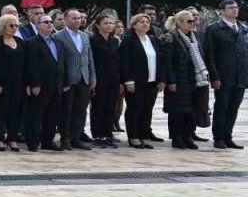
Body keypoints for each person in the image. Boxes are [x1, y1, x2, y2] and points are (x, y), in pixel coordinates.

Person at [203, 0, 248, 149]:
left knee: (234, 108)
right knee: (222, 107)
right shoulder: (214, 29)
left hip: (240, 76)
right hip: (223, 76)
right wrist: (214, 76)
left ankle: (228, 136)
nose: (234, 10)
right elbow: (210, 55)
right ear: (222, 11)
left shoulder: (242, 28)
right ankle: (219, 137)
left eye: (236, 7)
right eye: (230, 8)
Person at [162, 10, 208, 150]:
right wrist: (170, 81)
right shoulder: (170, 38)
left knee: (191, 110)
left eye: (193, 21)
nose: (192, 23)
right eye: (189, 21)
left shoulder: (194, 38)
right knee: (177, 111)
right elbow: (167, 62)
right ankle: (177, 138)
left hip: (194, 79)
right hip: (178, 80)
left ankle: (188, 136)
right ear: (179, 22)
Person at [54, 9, 96, 150]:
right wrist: (63, 81)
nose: (77, 20)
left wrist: (92, 77)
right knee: (66, 110)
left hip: (83, 79)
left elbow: (89, 58)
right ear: (65, 19)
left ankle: (76, 137)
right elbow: (59, 61)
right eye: (74, 18)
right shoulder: (58, 36)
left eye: (79, 18)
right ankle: (65, 139)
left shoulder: (85, 36)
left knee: (80, 111)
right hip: (69, 80)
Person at [23, 14, 66, 152]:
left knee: (52, 115)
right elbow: (31, 65)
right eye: (45, 22)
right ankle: (33, 142)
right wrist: (34, 84)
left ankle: (48, 141)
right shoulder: (31, 42)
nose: (49, 24)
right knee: (36, 115)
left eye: (51, 22)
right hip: (41, 85)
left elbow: (61, 63)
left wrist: (64, 81)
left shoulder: (57, 42)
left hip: (57, 85)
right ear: (38, 25)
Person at [119, 12, 162, 150]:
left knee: (147, 109)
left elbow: (159, 60)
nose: (145, 24)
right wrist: (127, 80)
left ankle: (144, 135)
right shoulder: (129, 40)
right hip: (135, 81)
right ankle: (133, 137)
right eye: (142, 22)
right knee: (134, 108)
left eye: (147, 22)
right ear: (134, 25)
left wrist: (161, 79)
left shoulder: (152, 39)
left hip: (151, 81)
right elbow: (124, 62)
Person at [0, 14, 25, 152]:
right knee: (1, 112)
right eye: (11, 25)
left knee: (15, 112)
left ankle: (12, 139)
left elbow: (24, 65)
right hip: (2, 84)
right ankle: (0, 139)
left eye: (16, 25)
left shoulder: (20, 42)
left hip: (18, 83)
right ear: (3, 26)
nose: (14, 28)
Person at [88, 13, 122, 148]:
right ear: (98, 25)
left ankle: (107, 134)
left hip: (113, 79)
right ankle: (97, 135)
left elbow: (117, 61)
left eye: (111, 23)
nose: (109, 26)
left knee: (110, 107)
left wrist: (120, 81)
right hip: (99, 78)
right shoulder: (93, 40)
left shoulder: (114, 40)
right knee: (98, 106)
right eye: (105, 23)